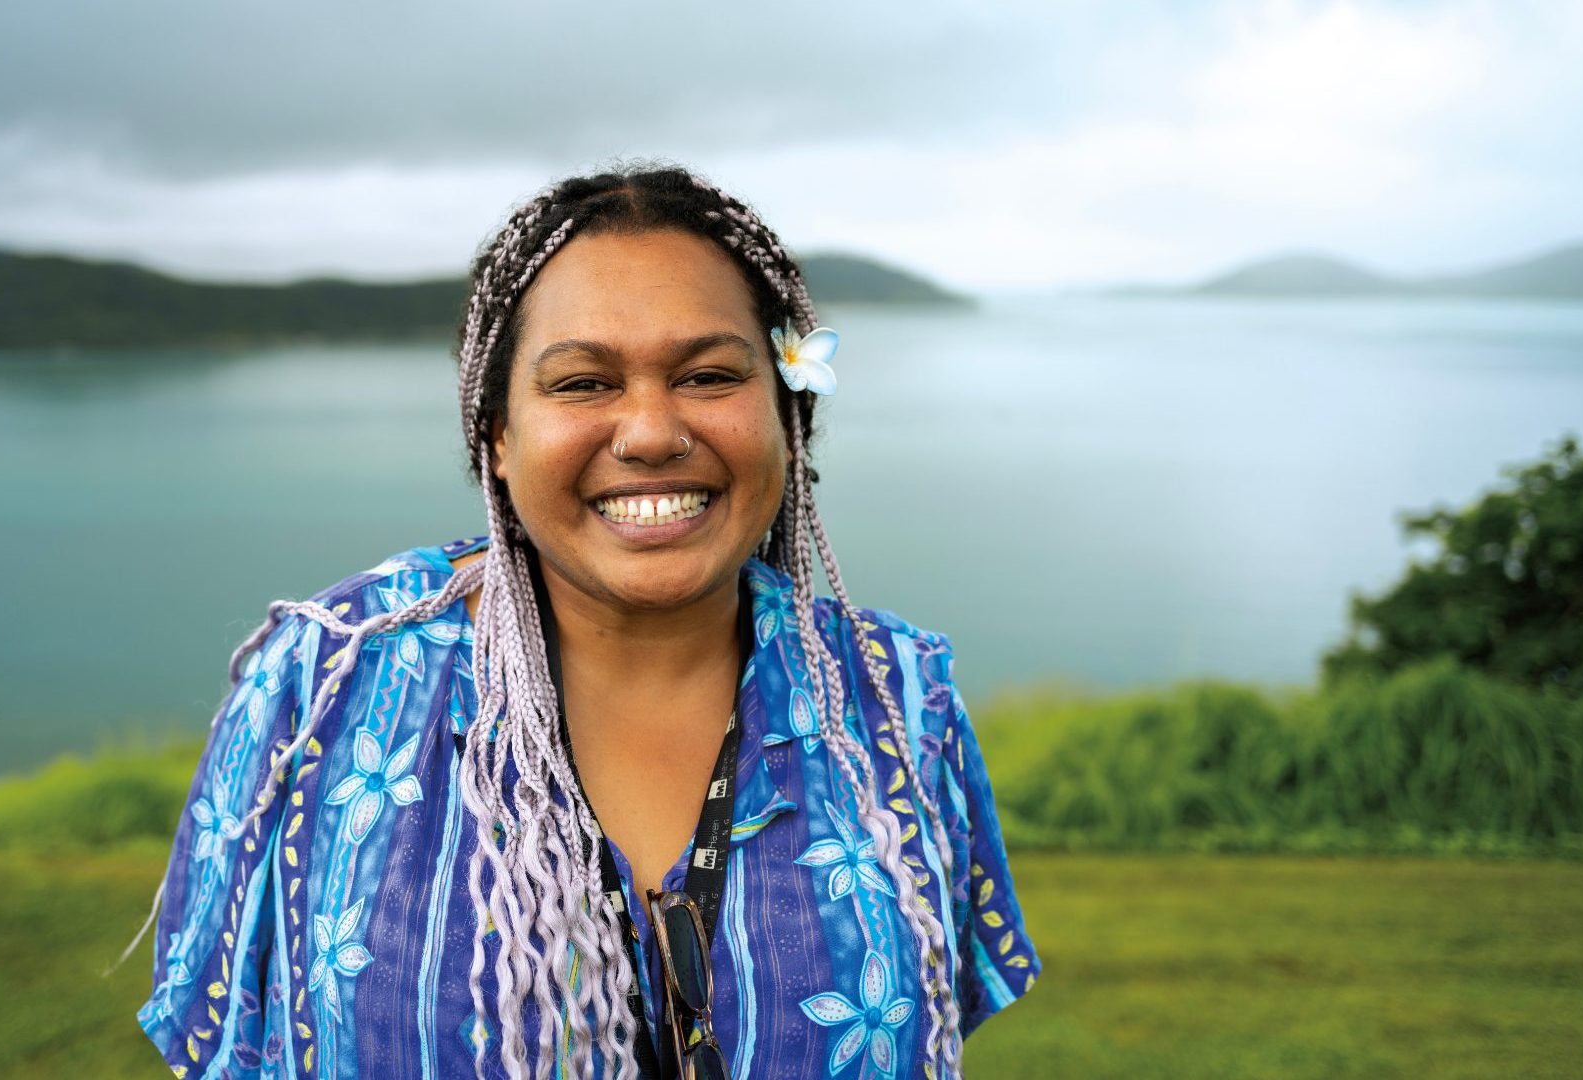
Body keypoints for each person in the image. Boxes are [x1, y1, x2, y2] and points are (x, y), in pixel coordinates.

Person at [128, 164, 1038, 1079]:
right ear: (497, 434)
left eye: (710, 374)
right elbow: (223, 1039)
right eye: (580, 384)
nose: (649, 432)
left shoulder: (896, 700)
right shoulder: (326, 683)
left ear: (786, 411)